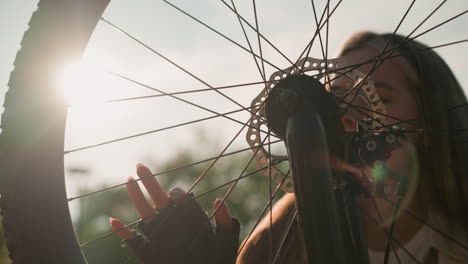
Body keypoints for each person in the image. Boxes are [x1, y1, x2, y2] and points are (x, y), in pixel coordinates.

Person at [109, 32, 468, 263]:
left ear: (430, 119)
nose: (346, 115)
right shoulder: (285, 232)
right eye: (336, 99)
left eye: (378, 97)